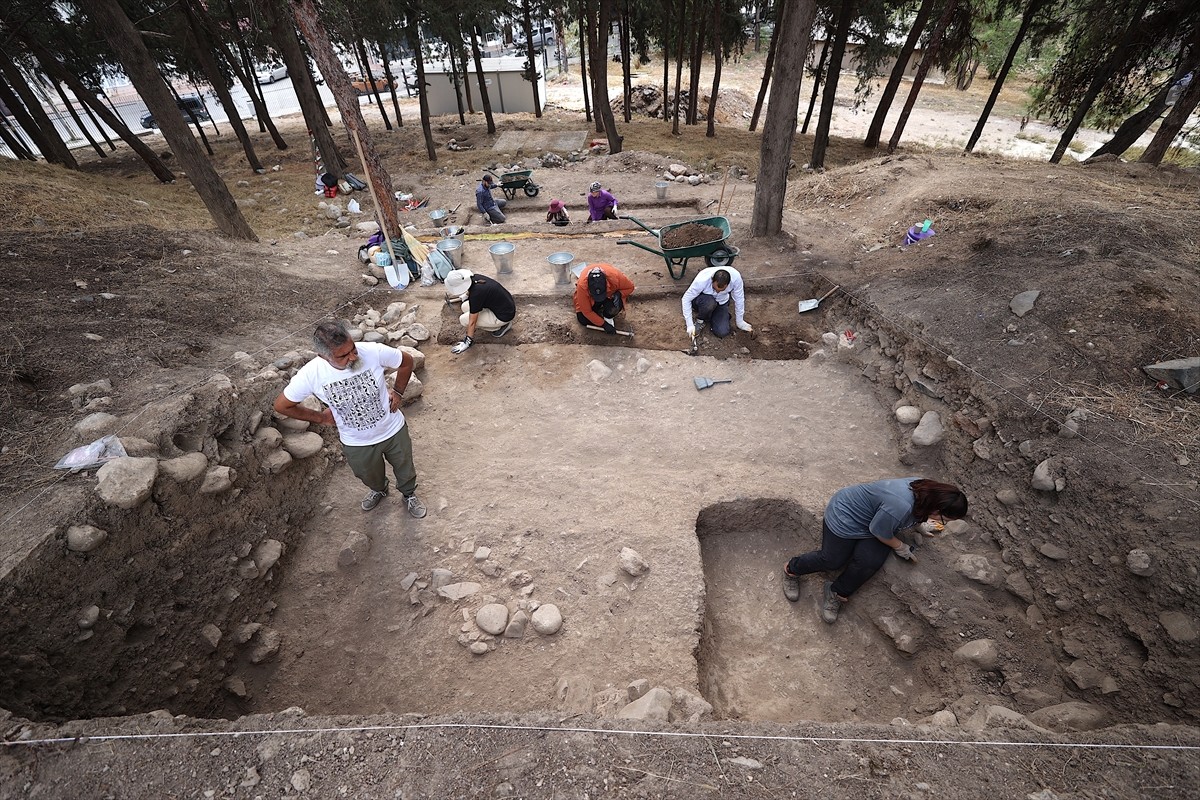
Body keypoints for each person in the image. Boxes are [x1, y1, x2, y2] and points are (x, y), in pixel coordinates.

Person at [273, 321, 427, 518]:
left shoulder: (372, 351)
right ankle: (379, 489)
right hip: (356, 442)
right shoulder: (311, 375)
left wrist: (398, 392)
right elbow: (282, 405)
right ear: (324, 356)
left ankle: (409, 494)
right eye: (343, 356)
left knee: (405, 467)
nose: (353, 357)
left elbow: (406, 361)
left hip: (392, 429)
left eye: (353, 349)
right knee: (367, 474)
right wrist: (320, 417)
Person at [782, 478, 968, 623]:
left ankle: (836, 592)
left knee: (869, 562)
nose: (942, 523)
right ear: (937, 508)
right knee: (832, 560)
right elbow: (880, 532)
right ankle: (792, 570)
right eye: (943, 520)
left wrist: (920, 524)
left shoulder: (927, 492)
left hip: (875, 520)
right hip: (846, 516)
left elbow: (915, 512)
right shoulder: (900, 505)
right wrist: (900, 546)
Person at [445, 269, 516, 353]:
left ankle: (501, 326)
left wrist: (467, 342)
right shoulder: (475, 278)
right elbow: (472, 289)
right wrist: (466, 295)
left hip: (504, 315)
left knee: (463, 320)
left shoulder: (476, 295)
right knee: (464, 306)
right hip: (504, 305)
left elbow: (472, 322)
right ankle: (494, 321)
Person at [681, 266, 752, 339]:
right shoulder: (702, 280)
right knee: (709, 303)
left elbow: (739, 299)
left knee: (722, 331)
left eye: (722, 290)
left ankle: (715, 316)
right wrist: (689, 325)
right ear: (712, 280)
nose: (717, 292)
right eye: (714, 288)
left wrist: (740, 322)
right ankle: (700, 320)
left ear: (728, 284)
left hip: (721, 302)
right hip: (704, 299)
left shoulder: (736, 279)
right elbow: (686, 299)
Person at [574, 264, 635, 333]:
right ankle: (598, 311)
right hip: (590, 298)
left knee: (614, 308)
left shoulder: (616, 277)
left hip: (610, 294)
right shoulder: (582, 286)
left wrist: (619, 293)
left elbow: (630, 287)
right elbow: (586, 311)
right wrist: (604, 324)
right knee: (583, 319)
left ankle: (607, 315)